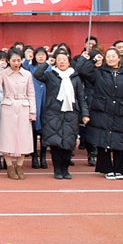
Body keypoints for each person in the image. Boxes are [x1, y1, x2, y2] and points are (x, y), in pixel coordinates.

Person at [77, 48, 123, 180]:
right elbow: (83, 71)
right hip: (102, 111)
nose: (111, 58)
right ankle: (106, 169)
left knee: (119, 141)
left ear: (119, 58)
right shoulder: (99, 73)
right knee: (103, 140)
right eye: (108, 56)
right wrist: (93, 61)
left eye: (113, 56)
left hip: (120, 112)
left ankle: (118, 169)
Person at [34, 51, 89, 180]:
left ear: (69, 62)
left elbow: (81, 98)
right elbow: (37, 74)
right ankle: (57, 169)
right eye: (59, 59)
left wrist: (85, 114)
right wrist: (47, 62)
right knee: (55, 143)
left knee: (69, 143)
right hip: (53, 114)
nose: (62, 62)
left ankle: (65, 169)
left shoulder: (75, 77)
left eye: (64, 59)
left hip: (71, 114)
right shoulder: (50, 75)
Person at [0, 49, 37, 180]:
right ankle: (9, 166)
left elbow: (31, 93)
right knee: (7, 136)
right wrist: (0, 69)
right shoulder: (4, 73)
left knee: (23, 137)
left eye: (18, 60)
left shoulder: (27, 74)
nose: (16, 63)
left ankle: (20, 166)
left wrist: (32, 111)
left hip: (23, 106)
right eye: (13, 60)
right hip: (8, 106)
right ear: (8, 61)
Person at [22, 47, 49, 169]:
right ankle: (34, 156)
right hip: (34, 100)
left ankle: (43, 157)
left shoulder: (50, 68)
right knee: (33, 130)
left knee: (45, 130)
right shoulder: (30, 68)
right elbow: (23, 66)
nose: (41, 57)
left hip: (46, 101)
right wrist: (28, 58)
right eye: (38, 55)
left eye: (43, 55)